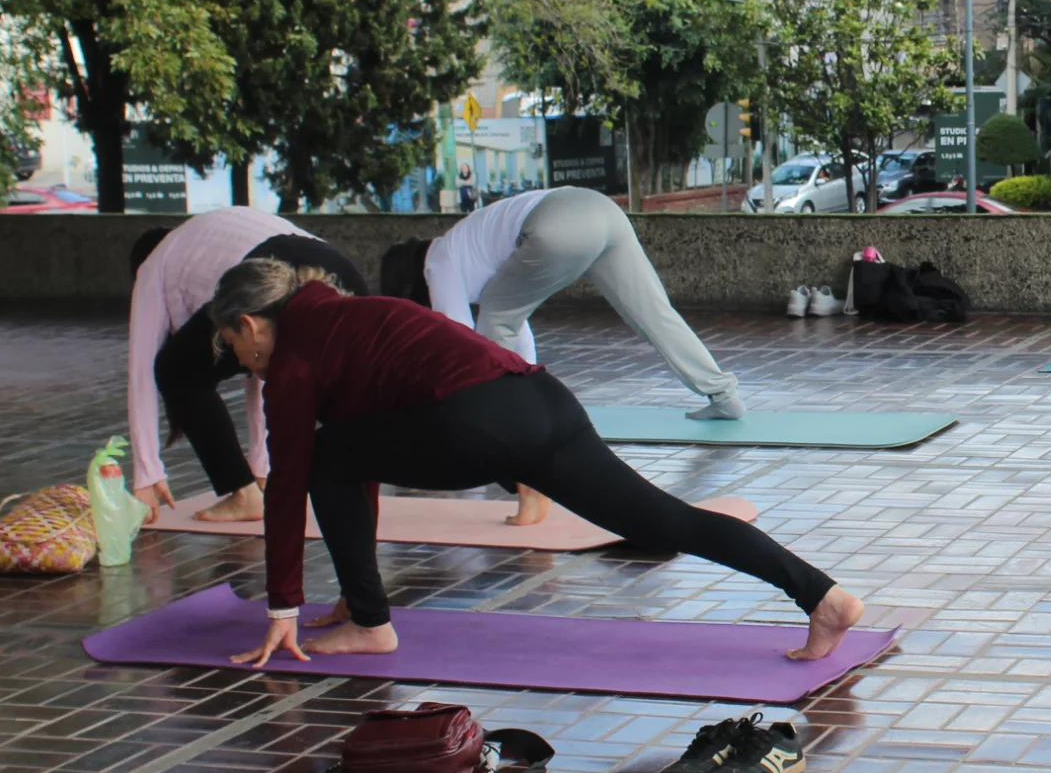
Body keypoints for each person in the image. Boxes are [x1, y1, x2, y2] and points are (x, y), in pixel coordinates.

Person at [210, 258, 862, 668]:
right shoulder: (344, 316)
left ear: (250, 323)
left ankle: (373, 624)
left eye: (232, 343)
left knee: (324, 456)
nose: (241, 361)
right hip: (543, 402)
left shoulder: (295, 356)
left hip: (477, 422)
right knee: (665, 519)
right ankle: (822, 595)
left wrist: (282, 609)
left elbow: (288, 482)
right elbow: (362, 459)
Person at [381, 187, 745, 525]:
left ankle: (527, 472)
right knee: (654, 313)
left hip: (557, 223)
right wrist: (528, 384)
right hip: (602, 211)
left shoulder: (438, 262)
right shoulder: (466, 248)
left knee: (493, 324)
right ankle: (723, 394)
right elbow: (512, 332)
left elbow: (458, 338)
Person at [126, 209, 370, 527]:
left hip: (270, 276)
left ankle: (243, 495)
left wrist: (147, 473)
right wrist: (262, 468)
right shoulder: (205, 238)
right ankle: (263, 482)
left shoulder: (154, 265)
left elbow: (142, 369)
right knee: (262, 357)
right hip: (337, 276)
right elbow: (260, 367)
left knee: (178, 370)